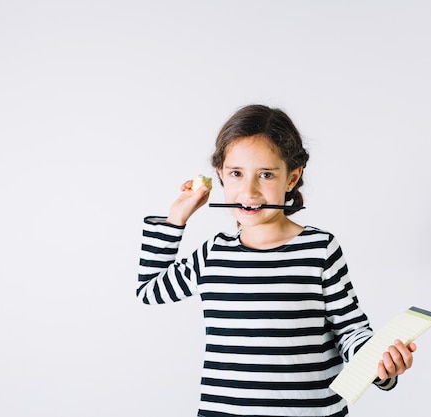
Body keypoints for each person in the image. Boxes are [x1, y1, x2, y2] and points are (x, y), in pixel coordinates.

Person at [137, 104, 416, 417]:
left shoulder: (318, 249)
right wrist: (176, 219)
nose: (249, 190)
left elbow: (350, 331)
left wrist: (381, 365)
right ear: (221, 176)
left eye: (266, 174)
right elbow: (149, 290)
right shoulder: (213, 254)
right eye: (236, 174)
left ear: (292, 177)